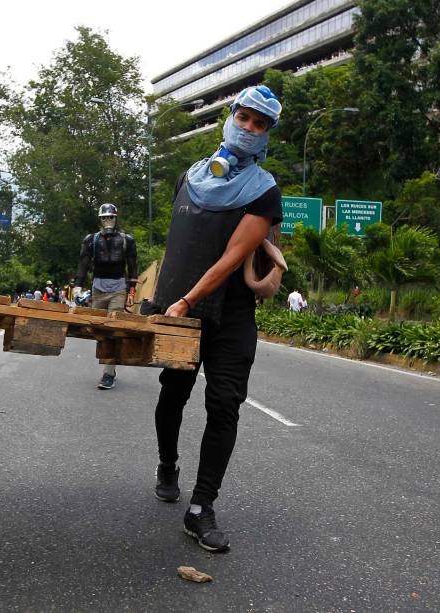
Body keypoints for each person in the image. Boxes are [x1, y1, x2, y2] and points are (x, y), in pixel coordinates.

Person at [146, 85, 284, 552]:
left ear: (267, 135)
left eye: (259, 124)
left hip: (231, 314)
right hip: (180, 310)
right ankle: (168, 465)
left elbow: (232, 256)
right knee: (173, 393)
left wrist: (186, 300)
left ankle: (202, 507)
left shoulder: (264, 191)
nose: (249, 128)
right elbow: (178, 243)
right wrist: (157, 296)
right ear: (230, 117)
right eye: (244, 117)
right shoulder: (189, 176)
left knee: (224, 404)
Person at [75, 203, 139, 390]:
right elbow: (83, 263)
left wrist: (132, 290)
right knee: (100, 331)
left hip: (118, 288)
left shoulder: (127, 240)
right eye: (104, 217)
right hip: (98, 287)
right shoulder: (91, 240)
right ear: (100, 219)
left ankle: (108, 373)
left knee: (112, 329)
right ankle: (110, 366)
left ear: (116, 218)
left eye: (110, 217)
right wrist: (78, 285)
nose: (107, 220)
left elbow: (133, 265)